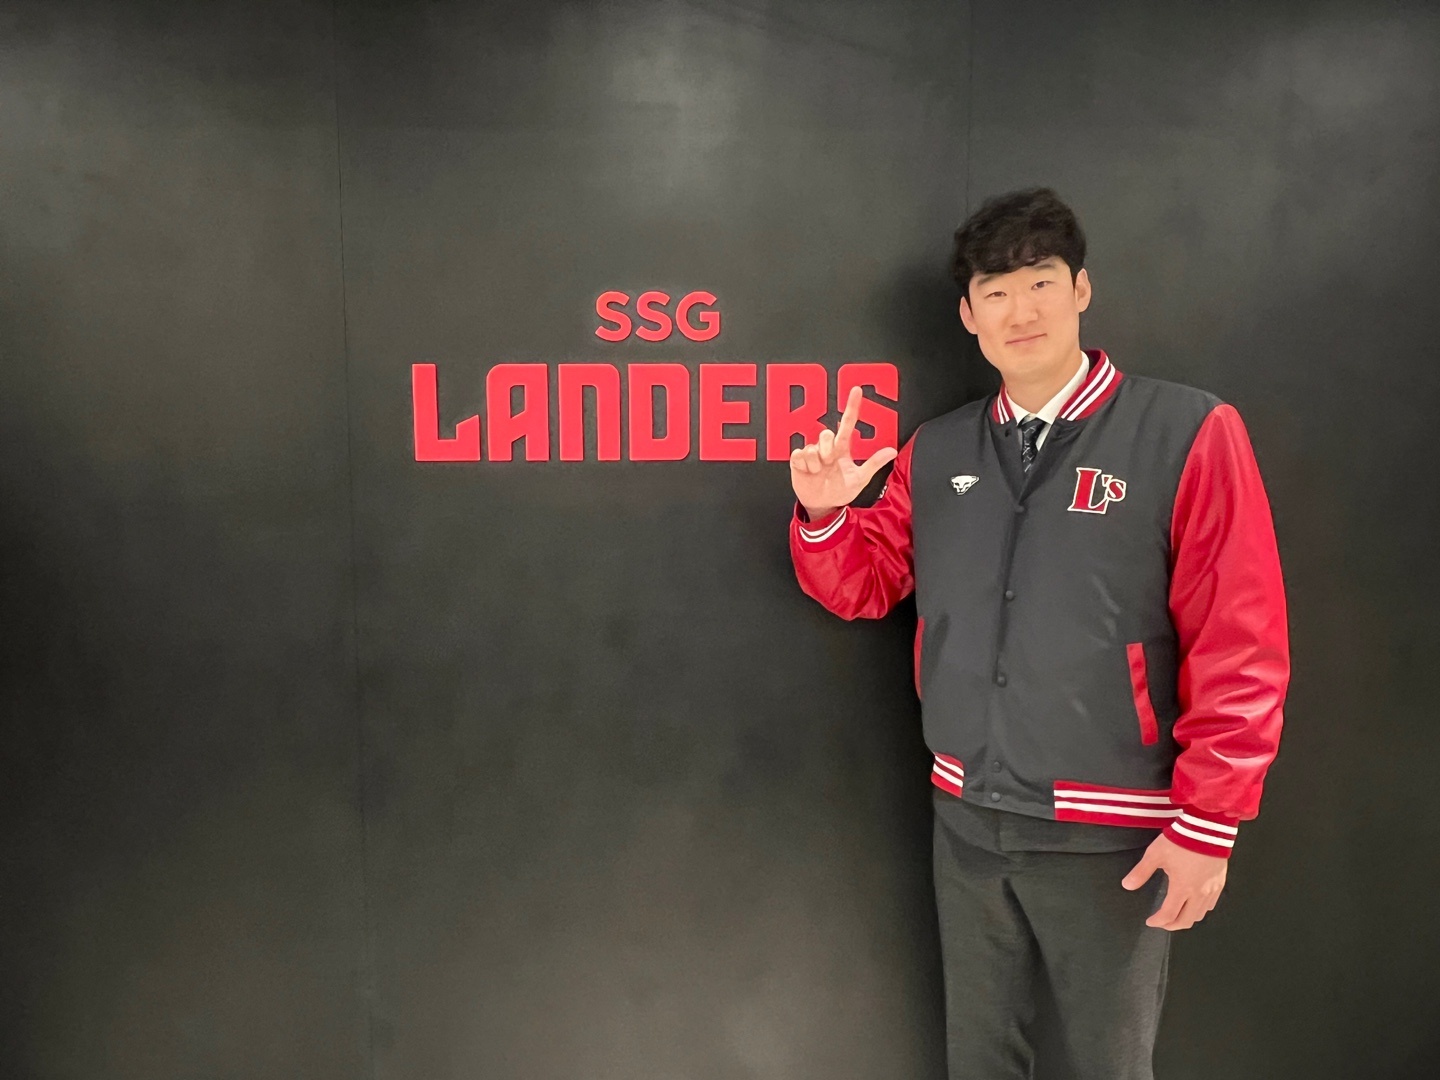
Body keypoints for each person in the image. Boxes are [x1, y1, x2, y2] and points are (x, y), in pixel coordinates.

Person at [787, 188, 1289, 1079]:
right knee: (982, 1060)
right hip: (968, 819)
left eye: (1041, 282)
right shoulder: (939, 449)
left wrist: (1209, 821)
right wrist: (826, 517)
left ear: (1081, 290)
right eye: (996, 292)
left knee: (1110, 1064)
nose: (1021, 311)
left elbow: (1240, 639)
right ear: (968, 315)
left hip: (1114, 835)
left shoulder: (1187, 430)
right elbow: (866, 584)